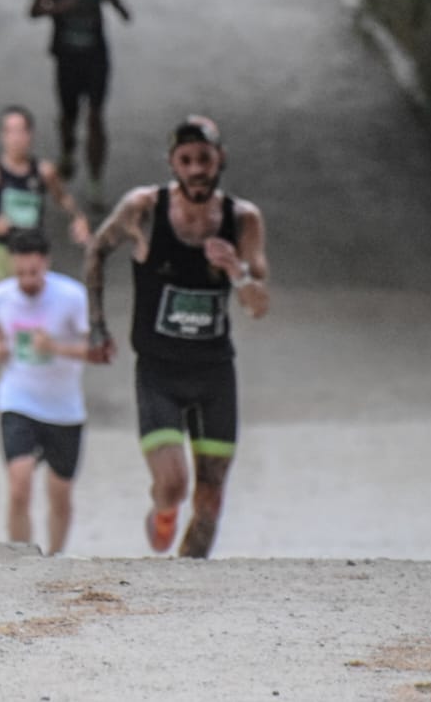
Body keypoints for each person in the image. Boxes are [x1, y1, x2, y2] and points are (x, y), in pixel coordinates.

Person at [82, 116, 270, 558]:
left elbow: (259, 305)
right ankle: (162, 511)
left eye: (204, 158)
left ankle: (185, 587)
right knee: (173, 484)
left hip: (214, 373)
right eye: (186, 160)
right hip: (159, 372)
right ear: (172, 164)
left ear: (219, 159)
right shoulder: (143, 209)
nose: (197, 169)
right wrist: (97, 326)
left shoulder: (243, 220)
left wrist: (236, 271)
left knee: (210, 499)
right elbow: (96, 250)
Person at [0, 230, 104, 555]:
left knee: (60, 494)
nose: (27, 280)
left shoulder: (72, 296)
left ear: (46, 263)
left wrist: (56, 347)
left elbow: (99, 350)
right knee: (19, 485)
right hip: (17, 399)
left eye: (34, 272)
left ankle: (55, 558)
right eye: (20, 273)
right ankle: (21, 557)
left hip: (64, 408)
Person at [28, 0, 131, 206]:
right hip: (68, 56)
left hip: (96, 56)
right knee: (68, 115)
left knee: (96, 116)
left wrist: (122, 9)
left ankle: (96, 181)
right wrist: (59, 8)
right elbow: (34, 9)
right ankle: (67, 150)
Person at [0, 105, 91, 299]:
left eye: (21, 131)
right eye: (10, 132)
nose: (16, 138)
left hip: (30, 252)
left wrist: (78, 218)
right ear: (2, 136)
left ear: (30, 134)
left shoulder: (44, 172)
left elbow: (63, 198)